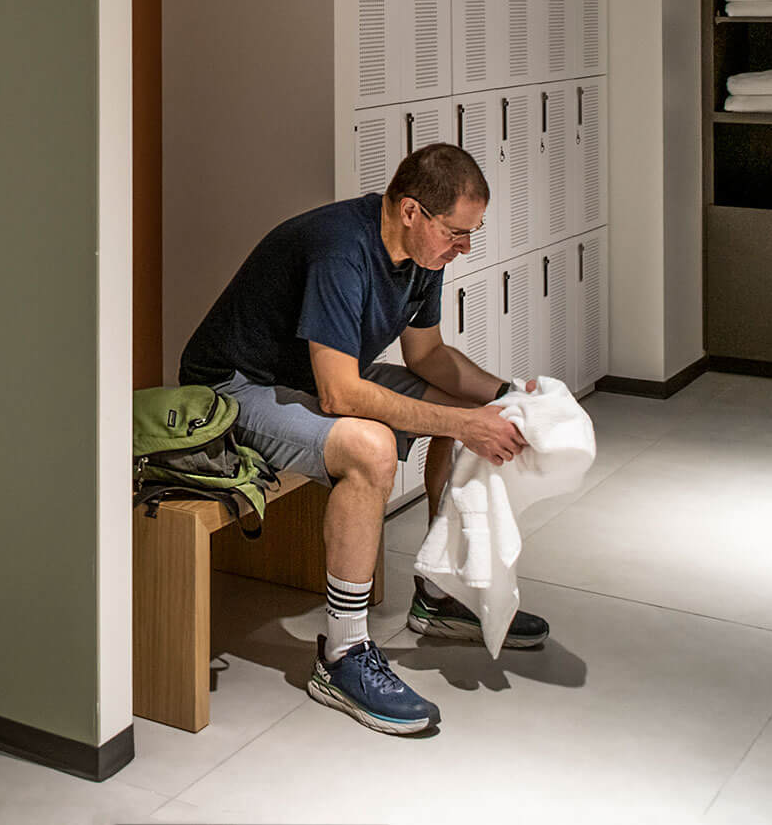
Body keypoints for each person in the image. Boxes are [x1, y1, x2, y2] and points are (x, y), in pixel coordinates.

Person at [178, 142, 549, 736]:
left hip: (311, 374)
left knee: (465, 408)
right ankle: (342, 654)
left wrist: (505, 395)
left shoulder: (423, 257)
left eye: (471, 232)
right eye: (457, 232)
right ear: (410, 212)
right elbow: (340, 398)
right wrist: (464, 425)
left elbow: (426, 357)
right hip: (232, 389)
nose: (465, 247)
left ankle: (437, 591)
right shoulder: (340, 250)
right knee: (371, 447)